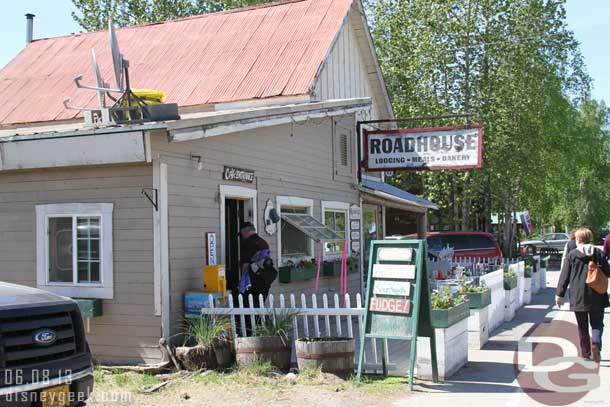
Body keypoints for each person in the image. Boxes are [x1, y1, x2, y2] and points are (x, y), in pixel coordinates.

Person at [556, 228, 610, 363]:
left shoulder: (572, 255)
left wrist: (560, 295)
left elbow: (565, 277)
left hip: (578, 295)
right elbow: (609, 272)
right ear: (590, 238)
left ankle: (586, 354)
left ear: (578, 240)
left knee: (582, 326)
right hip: (597, 293)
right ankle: (596, 344)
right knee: (597, 323)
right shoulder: (599, 254)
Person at [237, 222, 277, 306]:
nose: (242, 237)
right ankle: (261, 318)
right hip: (264, 279)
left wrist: (242, 282)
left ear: (245, 231)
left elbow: (246, 265)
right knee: (260, 304)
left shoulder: (248, 244)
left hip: (252, 281)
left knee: (249, 305)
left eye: (241, 234)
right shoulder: (263, 242)